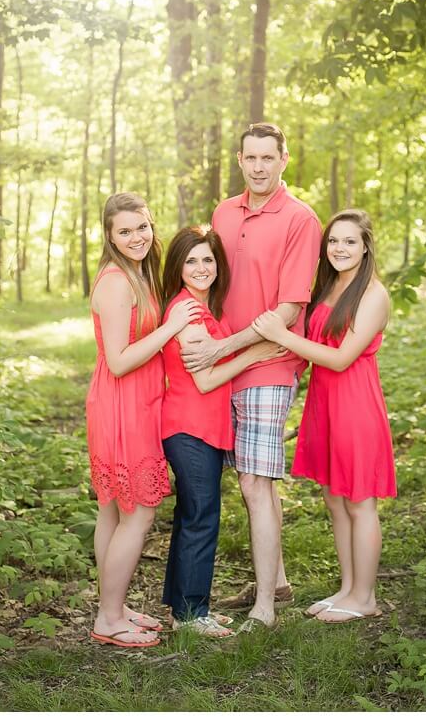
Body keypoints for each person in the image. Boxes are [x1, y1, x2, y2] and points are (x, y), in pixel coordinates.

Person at [183, 122, 322, 629]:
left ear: (284, 159)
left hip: (269, 361)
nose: (259, 167)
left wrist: (225, 346)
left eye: (269, 157)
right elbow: (206, 279)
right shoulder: (223, 211)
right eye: (251, 158)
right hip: (224, 363)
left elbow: (287, 309)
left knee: (254, 481)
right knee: (253, 482)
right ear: (240, 160)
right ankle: (277, 580)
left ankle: (265, 609)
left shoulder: (301, 220)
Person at [250, 209, 394, 623]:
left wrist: (280, 334)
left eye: (350, 241)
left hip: (356, 406)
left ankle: (365, 597)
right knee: (334, 497)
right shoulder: (328, 289)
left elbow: (340, 356)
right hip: (325, 404)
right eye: (333, 241)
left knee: (359, 500)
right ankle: (348, 589)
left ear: (365, 246)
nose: (340, 248)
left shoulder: (373, 294)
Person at [156, 226, 289, 638]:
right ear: (177, 267)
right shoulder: (189, 313)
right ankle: (194, 613)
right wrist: (257, 353)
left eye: (208, 259)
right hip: (189, 427)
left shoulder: (205, 307)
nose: (201, 267)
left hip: (204, 429)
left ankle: (182, 609)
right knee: (202, 519)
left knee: (190, 517)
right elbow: (205, 380)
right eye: (191, 260)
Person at [85, 193, 200, 648]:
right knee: (138, 511)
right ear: (110, 236)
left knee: (114, 509)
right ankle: (109, 618)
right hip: (121, 405)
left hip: (135, 403)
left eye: (142, 228)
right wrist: (170, 328)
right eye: (125, 231)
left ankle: (112, 607)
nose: (136, 237)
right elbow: (117, 361)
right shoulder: (116, 283)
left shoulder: (138, 274)